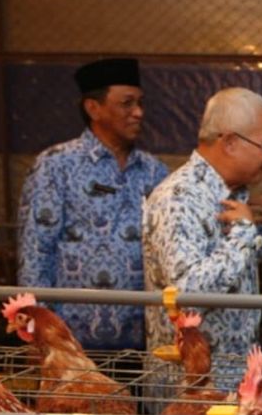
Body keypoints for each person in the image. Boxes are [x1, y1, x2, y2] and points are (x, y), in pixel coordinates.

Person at [16, 57, 168, 350]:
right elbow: (35, 253)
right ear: (93, 108)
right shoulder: (55, 166)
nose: (138, 112)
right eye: (127, 103)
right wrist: (38, 328)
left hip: (144, 339)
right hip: (72, 341)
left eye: (140, 103)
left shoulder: (155, 171)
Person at [143, 87, 262, 382]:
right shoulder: (178, 198)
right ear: (230, 142)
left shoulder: (230, 195)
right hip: (192, 386)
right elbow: (188, 295)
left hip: (235, 376)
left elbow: (247, 260)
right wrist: (244, 231)